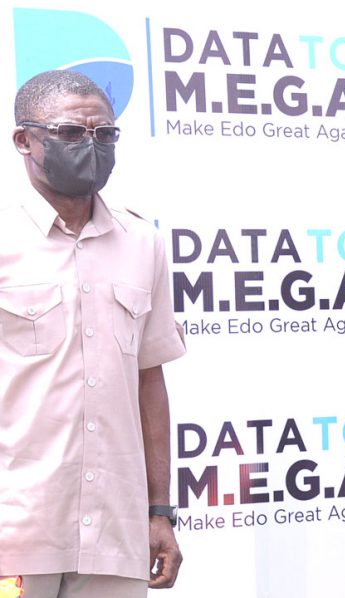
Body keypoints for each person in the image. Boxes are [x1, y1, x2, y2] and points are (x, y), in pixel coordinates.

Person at [0, 70, 186, 598]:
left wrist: (158, 511)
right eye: (69, 133)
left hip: (115, 532)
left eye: (104, 134)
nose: (91, 145)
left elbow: (149, 380)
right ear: (24, 140)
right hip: (16, 530)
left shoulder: (142, 242)